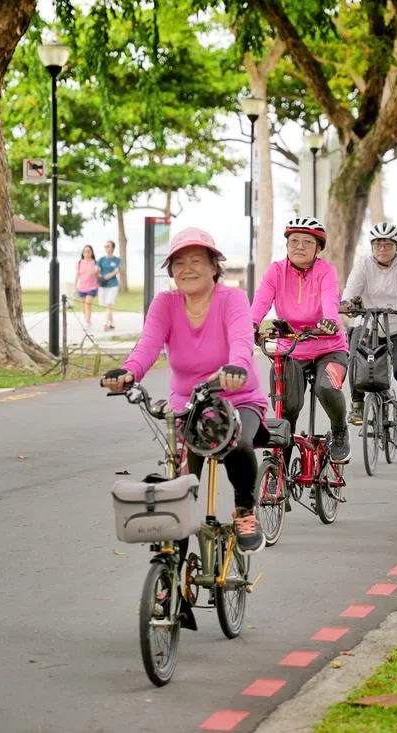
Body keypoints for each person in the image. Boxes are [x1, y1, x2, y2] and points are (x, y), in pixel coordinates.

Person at [101, 227, 268, 554]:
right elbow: (147, 346)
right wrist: (128, 372)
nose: (186, 269)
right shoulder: (165, 303)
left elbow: (241, 341)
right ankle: (171, 568)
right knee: (177, 486)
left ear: (214, 267)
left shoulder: (232, 298)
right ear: (171, 272)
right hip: (188, 406)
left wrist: (236, 367)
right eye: (178, 263)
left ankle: (245, 511)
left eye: (196, 261)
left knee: (238, 444)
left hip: (237, 398)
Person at [249, 216, 350, 464]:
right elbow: (261, 300)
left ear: (318, 248)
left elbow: (330, 299)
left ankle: (339, 431)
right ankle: (280, 465)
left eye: (307, 242)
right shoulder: (275, 271)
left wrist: (329, 321)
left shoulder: (326, 271)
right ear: (287, 245)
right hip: (292, 349)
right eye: (294, 241)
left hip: (330, 348)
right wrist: (251, 324)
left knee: (327, 387)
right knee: (286, 407)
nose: (299, 246)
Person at [341, 221, 397, 436]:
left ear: (396, 247)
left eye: (388, 244)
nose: (382, 249)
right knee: (354, 360)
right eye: (378, 244)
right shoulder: (363, 264)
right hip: (367, 324)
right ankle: (357, 404)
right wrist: (348, 303)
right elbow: (352, 288)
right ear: (372, 246)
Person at [97, 241, 122, 332]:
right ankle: (112, 323)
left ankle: (106, 323)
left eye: (108, 246)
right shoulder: (101, 259)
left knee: (109, 304)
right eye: (105, 246)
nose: (106, 248)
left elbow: (117, 270)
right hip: (103, 285)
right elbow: (97, 269)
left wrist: (107, 276)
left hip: (112, 285)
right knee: (107, 305)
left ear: (112, 248)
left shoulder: (117, 260)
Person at [75, 245, 99, 329]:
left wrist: (96, 271)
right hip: (82, 287)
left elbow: (98, 275)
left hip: (92, 287)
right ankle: (86, 320)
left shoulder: (95, 263)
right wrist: (75, 287)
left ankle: (87, 321)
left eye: (88, 251)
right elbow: (77, 275)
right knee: (84, 305)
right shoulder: (80, 263)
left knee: (88, 303)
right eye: (85, 251)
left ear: (92, 253)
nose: (87, 253)